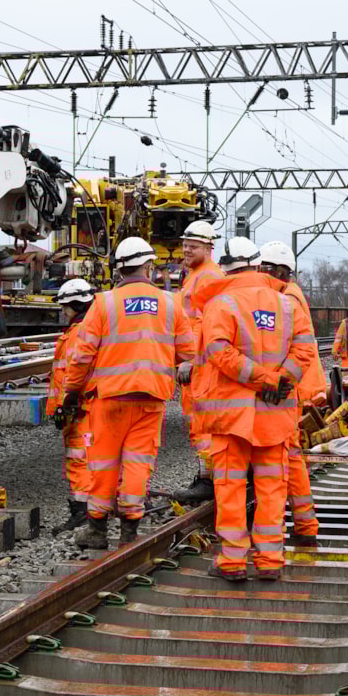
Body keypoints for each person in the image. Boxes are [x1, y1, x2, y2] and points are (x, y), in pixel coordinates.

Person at [192, 237, 315, 580]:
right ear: (258, 266)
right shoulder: (287, 304)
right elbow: (305, 350)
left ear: (226, 268)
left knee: (230, 487)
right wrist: (281, 381)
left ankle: (231, 562)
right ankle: (270, 561)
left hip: (231, 416)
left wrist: (263, 379)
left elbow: (220, 353)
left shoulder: (221, 303)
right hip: (275, 416)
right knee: (272, 488)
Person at [66, 237, 195, 549]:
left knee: (104, 462)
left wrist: (71, 390)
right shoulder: (170, 303)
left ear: (120, 270)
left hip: (109, 399)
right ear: (149, 267)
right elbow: (188, 352)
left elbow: (82, 354)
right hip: (151, 399)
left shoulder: (103, 303)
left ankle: (96, 530)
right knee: (138, 463)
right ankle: (129, 530)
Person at [258, 240, 324, 547]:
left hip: (296, 388)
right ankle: (305, 523)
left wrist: (279, 382)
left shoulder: (289, 300)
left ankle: (302, 524)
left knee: (287, 457)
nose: (261, 274)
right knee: (293, 456)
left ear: (282, 272)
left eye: (267, 269)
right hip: (298, 386)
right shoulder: (288, 296)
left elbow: (298, 350)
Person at [171, 221, 224, 504]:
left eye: (193, 245)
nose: (186, 249)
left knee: (203, 424)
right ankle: (208, 476)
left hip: (199, 366)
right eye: (185, 244)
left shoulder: (208, 277)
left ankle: (208, 480)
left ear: (208, 247)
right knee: (198, 423)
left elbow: (206, 322)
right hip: (195, 363)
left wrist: (191, 359)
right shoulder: (196, 276)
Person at [46, 278, 96, 533]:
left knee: (79, 458)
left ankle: (82, 510)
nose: (63, 312)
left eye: (65, 307)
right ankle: (92, 508)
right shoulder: (81, 331)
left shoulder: (79, 334)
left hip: (78, 408)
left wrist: (66, 404)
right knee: (85, 457)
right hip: (76, 407)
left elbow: (75, 373)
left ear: (76, 305)